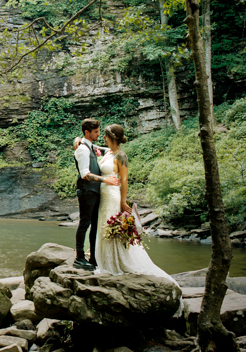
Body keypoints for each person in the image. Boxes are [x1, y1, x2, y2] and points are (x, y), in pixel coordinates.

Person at [92, 124, 178, 285]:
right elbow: (92, 145)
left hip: (112, 195)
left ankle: (116, 263)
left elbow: (124, 180)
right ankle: (104, 261)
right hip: (103, 195)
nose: (102, 139)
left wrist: (123, 201)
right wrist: (79, 141)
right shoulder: (108, 152)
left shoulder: (121, 156)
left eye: (105, 136)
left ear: (112, 138)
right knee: (103, 225)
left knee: (111, 226)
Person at [72, 119, 119, 270]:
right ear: (87, 132)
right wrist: (105, 179)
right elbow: (85, 174)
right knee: (85, 223)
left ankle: (93, 258)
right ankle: (79, 257)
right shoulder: (82, 150)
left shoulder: (90, 146)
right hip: (86, 191)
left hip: (94, 191)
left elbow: (105, 150)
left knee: (94, 225)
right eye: (96, 132)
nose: (99, 134)